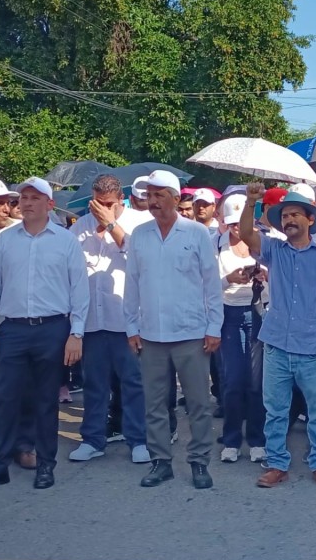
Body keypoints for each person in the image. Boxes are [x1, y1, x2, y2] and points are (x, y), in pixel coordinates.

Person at [240, 187, 316, 489]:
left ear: (310, 219)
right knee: (275, 409)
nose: (288, 220)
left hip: (312, 346)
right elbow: (247, 232)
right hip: (275, 344)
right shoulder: (273, 249)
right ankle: (277, 464)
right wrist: (251, 202)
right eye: (284, 216)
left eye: (294, 215)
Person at [124, 170, 223, 490]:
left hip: (192, 333)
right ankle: (161, 461)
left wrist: (214, 327)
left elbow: (212, 285)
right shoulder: (139, 235)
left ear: (177, 199)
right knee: (154, 404)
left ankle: (198, 462)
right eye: (148, 195)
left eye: (159, 195)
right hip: (151, 335)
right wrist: (131, 327)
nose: (152, 201)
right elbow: (132, 284)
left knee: (197, 403)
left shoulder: (196, 234)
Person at [0, 177, 89, 490]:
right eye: (24, 198)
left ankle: (46, 464)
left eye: (35, 198)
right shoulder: (6, 240)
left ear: (49, 204)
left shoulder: (65, 240)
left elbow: (79, 289)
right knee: (6, 397)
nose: (27, 203)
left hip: (53, 328)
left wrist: (77, 333)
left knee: (46, 399)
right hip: (13, 329)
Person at [67, 175, 151, 465]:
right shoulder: (80, 228)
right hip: (92, 319)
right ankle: (93, 439)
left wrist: (112, 226)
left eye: (108, 204)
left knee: (132, 381)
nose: (101, 209)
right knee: (94, 383)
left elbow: (140, 262)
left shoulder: (139, 224)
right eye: (96, 203)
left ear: (120, 200)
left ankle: (138, 439)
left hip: (126, 320)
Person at [0, 179, 37, 470]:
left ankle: (24, 444)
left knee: (20, 388)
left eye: (8, 201)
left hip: (10, 325)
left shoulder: (17, 235)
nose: (6, 207)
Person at [216, 194, 265, 464]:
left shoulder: (264, 243)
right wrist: (228, 279)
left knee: (256, 381)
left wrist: (264, 277)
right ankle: (232, 439)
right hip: (229, 314)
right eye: (232, 224)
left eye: (241, 223)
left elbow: (280, 280)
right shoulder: (216, 245)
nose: (237, 229)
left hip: (259, 312)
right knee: (233, 379)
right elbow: (206, 284)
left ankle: (257, 439)